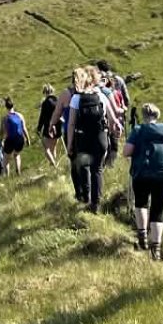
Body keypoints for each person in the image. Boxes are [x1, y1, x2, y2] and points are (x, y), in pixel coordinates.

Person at [122, 104, 163, 259]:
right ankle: (156, 249)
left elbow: (126, 152)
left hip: (142, 174)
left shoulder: (138, 130)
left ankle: (143, 238)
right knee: (158, 211)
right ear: (157, 115)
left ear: (143, 115)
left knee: (141, 203)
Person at [67, 66, 117, 213]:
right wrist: (114, 132)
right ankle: (96, 204)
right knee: (98, 169)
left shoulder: (76, 98)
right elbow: (112, 119)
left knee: (85, 168)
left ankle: (86, 199)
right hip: (101, 138)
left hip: (83, 139)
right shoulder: (101, 96)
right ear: (95, 79)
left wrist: (70, 144)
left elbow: (71, 124)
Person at [1, 97, 28, 175]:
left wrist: (1, 140)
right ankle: (18, 172)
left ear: (5, 107)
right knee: (17, 155)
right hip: (20, 139)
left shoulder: (5, 118)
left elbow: (2, 131)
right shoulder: (20, 115)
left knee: (6, 158)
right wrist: (28, 139)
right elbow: (24, 128)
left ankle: (6, 175)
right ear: (13, 105)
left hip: (10, 140)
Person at [37, 86, 61, 167]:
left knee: (46, 147)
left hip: (49, 126)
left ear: (45, 92)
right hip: (58, 125)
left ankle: (53, 164)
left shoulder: (45, 103)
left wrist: (39, 128)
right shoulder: (57, 100)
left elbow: (42, 117)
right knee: (53, 148)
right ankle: (53, 165)